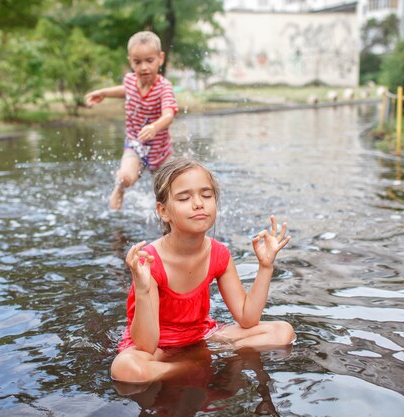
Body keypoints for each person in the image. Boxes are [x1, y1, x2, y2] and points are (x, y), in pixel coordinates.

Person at [111, 157, 295, 383]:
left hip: (201, 336)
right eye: (184, 198)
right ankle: (190, 364)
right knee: (126, 369)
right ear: (163, 211)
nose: (198, 203)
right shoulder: (149, 261)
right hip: (157, 346)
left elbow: (248, 319)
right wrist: (141, 287)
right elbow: (146, 345)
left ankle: (191, 359)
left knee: (282, 332)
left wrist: (265, 267)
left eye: (206, 195)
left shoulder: (219, 254)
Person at [85, 31, 178, 210]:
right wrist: (104, 93)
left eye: (149, 61)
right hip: (135, 145)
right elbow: (125, 90)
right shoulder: (130, 81)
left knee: (169, 191)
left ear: (160, 58)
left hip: (161, 152)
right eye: (137, 62)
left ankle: (167, 221)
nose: (143, 67)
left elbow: (169, 115)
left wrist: (154, 126)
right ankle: (119, 189)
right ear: (130, 61)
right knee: (126, 177)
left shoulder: (164, 87)